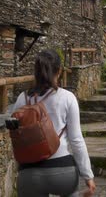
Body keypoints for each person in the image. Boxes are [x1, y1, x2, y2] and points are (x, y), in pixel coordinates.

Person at [12, 49, 96, 197]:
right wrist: (88, 175)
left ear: (36, 72)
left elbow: (15, 138)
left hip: (29, 173)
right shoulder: (68, 98)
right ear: (59, 71)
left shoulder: (22, 99)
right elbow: (76, 140)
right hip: (63, 171)